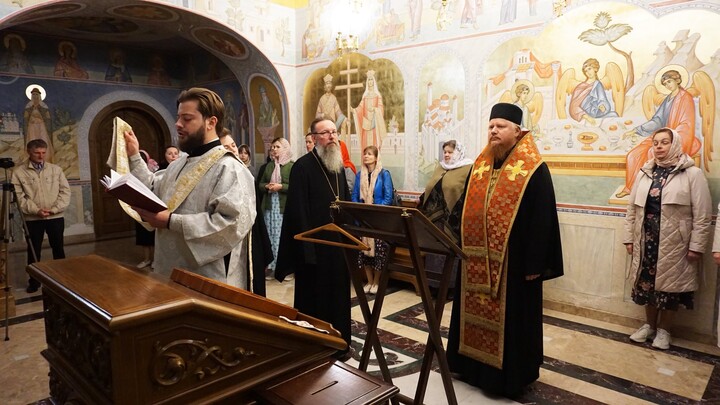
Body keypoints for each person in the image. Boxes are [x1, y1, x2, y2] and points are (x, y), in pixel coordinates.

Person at [448, 103, 563, 396]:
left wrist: (535, 264)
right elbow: (464, 209)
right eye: (491, 126)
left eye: (501, 126)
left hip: (514, 265)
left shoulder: (533, 169)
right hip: (476, 261)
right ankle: (472, 368)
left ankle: (506, 378)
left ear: (517, 131)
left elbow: (542, 220)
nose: (494, 131)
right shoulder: (480, 166)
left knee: (513, 322)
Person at [123, 87, 255, 287]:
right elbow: (153, 189)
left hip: (206, 278)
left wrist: (171, 221)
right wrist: (134, 156)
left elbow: (230, 225)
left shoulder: (229, 168)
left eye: (187, 119)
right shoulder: (178, 164)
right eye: (178, 118)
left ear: (211, 122)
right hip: (167, 269)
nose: (178, 124)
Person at [624, 127, 711, 350]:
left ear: (675, 144)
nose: (659, 147)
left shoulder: (692, 174)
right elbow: (631, 210)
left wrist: (697, 246)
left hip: (676, 243)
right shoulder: (645, 172)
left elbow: (702, 214)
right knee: (646, 284)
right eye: (656, 143)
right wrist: (629, 238)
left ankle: (664, 330)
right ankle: (649, 326)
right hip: (646, 240)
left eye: (664, 142)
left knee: (670, 288)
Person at [275, 118, 351, 359]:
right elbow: (298, 212)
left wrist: (350, 240)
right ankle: (314, 348)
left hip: (338, 247)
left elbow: (346, 205)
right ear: (314, 138)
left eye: (334, 132)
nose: (332, 136)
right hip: (314, 249)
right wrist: (307, 251)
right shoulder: (303, 167)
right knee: (314, 301)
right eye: (325, 133)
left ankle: (340, 344)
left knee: (338, 299)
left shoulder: (338, 167)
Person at [618, 69, 698, 198]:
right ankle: (631, 188)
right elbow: (657, 120)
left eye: (669, 81)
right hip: (663, 136)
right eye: (665, 84)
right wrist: (636, 130)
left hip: (679, 137)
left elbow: (686, 124)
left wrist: (671, 137)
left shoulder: (685, 97)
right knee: (633, 155)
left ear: (677, 80)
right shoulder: (668, 99)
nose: (668, 85)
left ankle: (652, 190)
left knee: (652, 152)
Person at [11, 139, 71, 293]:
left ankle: (62, 281)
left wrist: (54, 209)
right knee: (33, 251)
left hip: (55, 217)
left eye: (43, 152)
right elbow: (19, 197)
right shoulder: (18, 172)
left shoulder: (56, 170)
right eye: (37, 153)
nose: (41, 156)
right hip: (33, 219)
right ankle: (34, 282)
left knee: (58, 249)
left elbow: (65, 192)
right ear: (28, 152)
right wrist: (36, 210)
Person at [418, 140, 473, 297]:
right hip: (435, 220)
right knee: (435, 253)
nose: (447, 155)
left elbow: (467, 192)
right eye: (445, 152)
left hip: (453, 221)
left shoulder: (468, 168)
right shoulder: (440, 167)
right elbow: (431, 188)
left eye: (450, 152)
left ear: (459, 152)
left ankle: (451, 288)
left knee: (450, 253)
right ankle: (433, 286)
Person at [351, 145, 393, 294]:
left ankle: (376, 282)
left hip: (378, 219)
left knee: (378, 252)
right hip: (363, 219)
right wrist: (360, 211)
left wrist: (375, 211)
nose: (366, 156)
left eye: (369, 154)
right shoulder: (359, 175)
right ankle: (369, 281)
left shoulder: (384, 174)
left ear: (376, 157)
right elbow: (354, 195)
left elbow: (388, 198)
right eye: (365, 154)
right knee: (364, 251)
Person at [259, 137, 294, 281]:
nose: (274, 149)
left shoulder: (291, 166)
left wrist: (281, 187)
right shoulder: (269, 166)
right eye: (273, 147)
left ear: (285, 148)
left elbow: (295, 186)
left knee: (282, 238)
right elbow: (260, 184)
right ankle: (272, 268)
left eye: (277, 147)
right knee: (271, 236)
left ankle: (285, 269)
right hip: (270, 206)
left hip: (283, 207)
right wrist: (267, 186)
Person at [568, 58, 618, 125]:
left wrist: (602, 105)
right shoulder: (580, 87)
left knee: (614, 115)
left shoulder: (598, 84)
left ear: (595, 69)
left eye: (589, 69)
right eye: (586, 71)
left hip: (598, 113)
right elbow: (573, 107)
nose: (588, 72)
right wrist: (587, 117)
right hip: (585, 116)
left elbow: (602, 99)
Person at [135, 150, 159, 269]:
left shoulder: (154, 169)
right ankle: (146, 259)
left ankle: (155, 259)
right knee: (143, 235)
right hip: (140, 206)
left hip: (152, 207)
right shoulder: (133, 171)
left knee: (153, 235)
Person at [352, 70, 387, 152]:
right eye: (369, 80)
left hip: (374, 123)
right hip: (366, 124)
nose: (370, 81)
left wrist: (375, 109)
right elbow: (360, 107)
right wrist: (354, 110)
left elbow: (380, 108)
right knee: (365, 144)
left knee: (374, 144)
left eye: (371, 79)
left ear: (374, 81)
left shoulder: (377, 95)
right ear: (367, 82)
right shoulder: (365, 96)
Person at [24, 87, 54, 162]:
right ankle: (32, 159)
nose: (35, 96)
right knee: (32, 140)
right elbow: (26, 117)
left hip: (41, 126)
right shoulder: (29, 106)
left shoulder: (43, 106)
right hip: (32, 127)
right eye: (33, 94)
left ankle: (45, 159)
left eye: (36, 94)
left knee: (43, 140)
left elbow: (47, 117)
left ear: (39, 95)